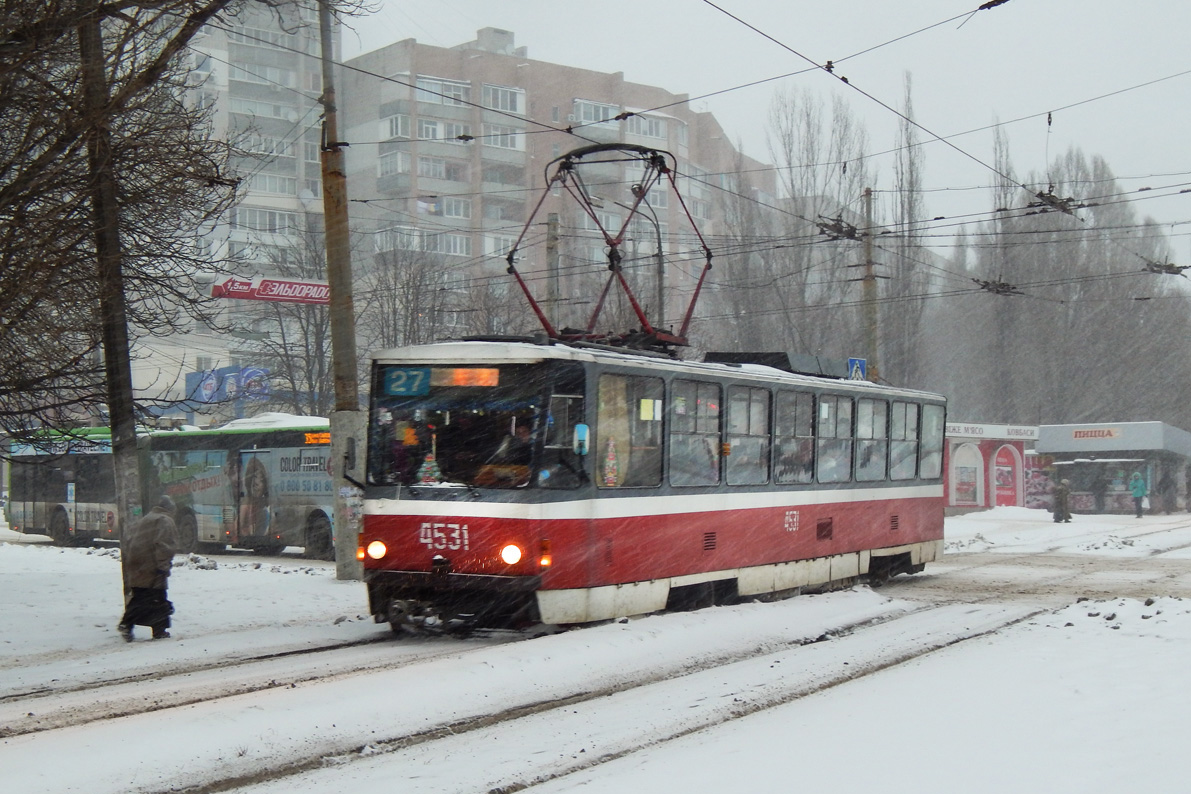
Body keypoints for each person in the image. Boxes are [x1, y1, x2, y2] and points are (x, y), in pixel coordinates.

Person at [118, 495, 179, 641]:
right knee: (154, 597)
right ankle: (132, 624)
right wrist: (163, 566)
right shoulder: (164, 520)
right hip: (151, 565)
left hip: (138, 563)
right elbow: (164, 545)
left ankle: (144, 626)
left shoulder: (148, 518)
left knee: (144, 595)